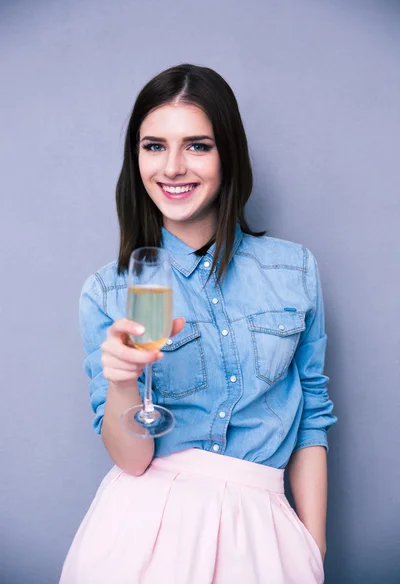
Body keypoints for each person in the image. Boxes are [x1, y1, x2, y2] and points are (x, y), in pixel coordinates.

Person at [60, 63, 337, 584]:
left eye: (197, 145)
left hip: (265, 534)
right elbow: (132, 460)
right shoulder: (109, 291)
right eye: (154, 146)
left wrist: (313, 547)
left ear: (227, 153)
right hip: (144, 533)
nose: (172, 167)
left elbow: (311, 419)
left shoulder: (293, 270)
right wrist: (122, 381)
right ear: (136, 158)